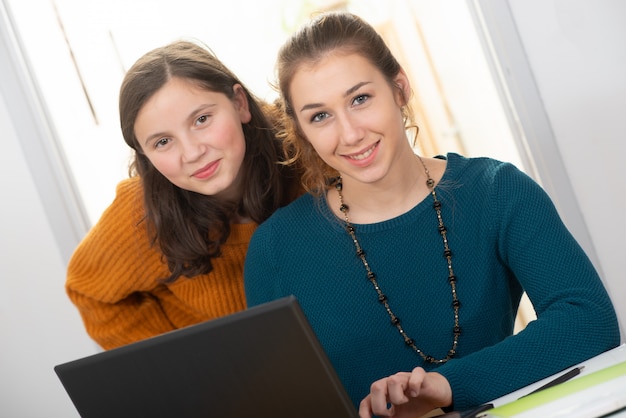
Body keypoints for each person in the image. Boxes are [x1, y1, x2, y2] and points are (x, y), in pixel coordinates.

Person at [243, 11, 620, 417]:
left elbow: (588, 320)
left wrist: (445, 385)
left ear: (399, 88)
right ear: (300, 129)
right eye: (320, 116)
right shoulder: (274, 249)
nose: (350, 133)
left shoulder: (497, 190)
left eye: (360, 99)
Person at [66, 40, 301, 350]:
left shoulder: (306, 155)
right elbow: (87, 290)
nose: (192, 153)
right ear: (145, 155)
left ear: (240, 104)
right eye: (163, 142)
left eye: (202, 120)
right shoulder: (141, 213)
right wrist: (183, 359)